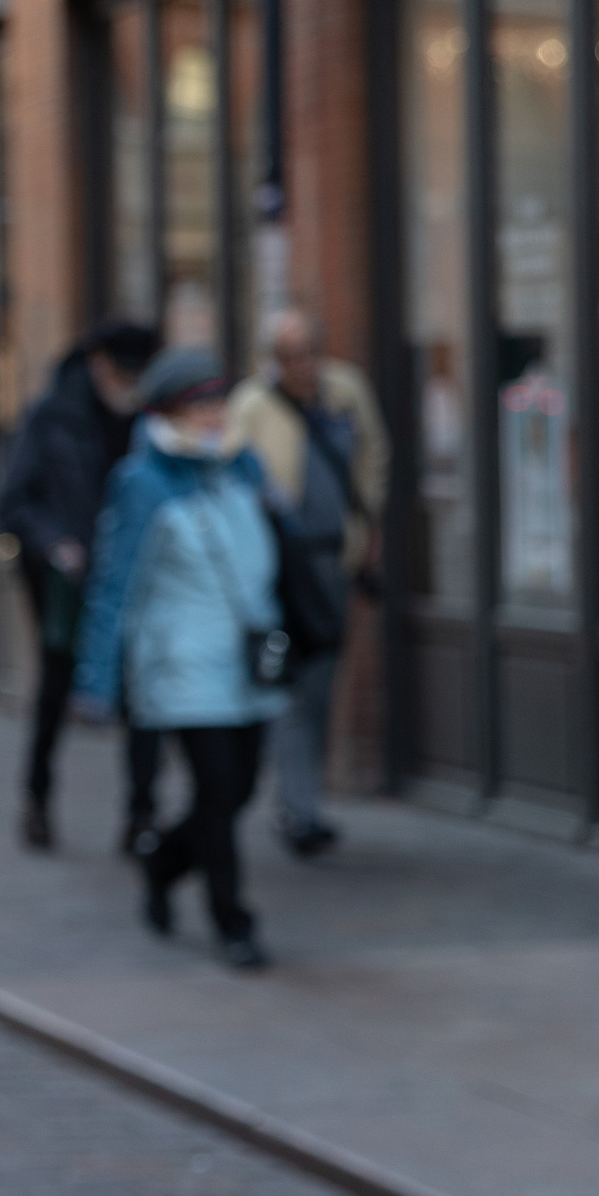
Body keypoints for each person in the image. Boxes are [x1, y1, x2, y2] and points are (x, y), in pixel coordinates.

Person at [74, 348, 288, 971]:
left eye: (219, 401)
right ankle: (234, 922)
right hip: (183, 664)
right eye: (201, 405)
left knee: (240, 791)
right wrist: (96, 680)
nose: (215, 414)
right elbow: (114, 585)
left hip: (249, 657)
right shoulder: (143, 480)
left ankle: (162, 863)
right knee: (218, 791)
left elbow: (278, 549)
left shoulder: (242, 466)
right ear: (169, 411)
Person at [0, 321, 164, 853]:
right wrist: (57, 545)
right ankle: (37, 801)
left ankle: (141, 816)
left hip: (133, 577)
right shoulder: (53, 416)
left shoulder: (152, 420)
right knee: (56, 690)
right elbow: (11, 501)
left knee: (142, 697)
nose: (129, 381)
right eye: (121, 370)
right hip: (69, 582)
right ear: (96, 363)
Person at [227, 308, 388, 856]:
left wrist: (368, 528)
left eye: (308, 352)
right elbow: (233, 477)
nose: (302, 365)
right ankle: (297, 808)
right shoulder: (251, 406)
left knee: (320, 682)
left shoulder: (346, 392)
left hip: (332, 559)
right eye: (289, 356)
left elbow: (373, 459)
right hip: (277, 567)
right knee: (287, 685)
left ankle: (303, 798)